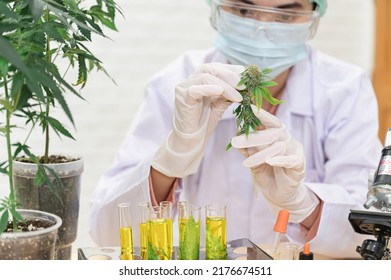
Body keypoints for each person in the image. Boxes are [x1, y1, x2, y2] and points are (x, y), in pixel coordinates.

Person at [89, 0, 382, 259]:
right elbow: (106, 234)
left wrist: (304, 205)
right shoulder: (176, 82)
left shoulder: (345, 89)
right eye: (244, 9)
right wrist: (169, 161)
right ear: (217, 9)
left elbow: (371, 235)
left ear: (314, 17)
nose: (262, 29)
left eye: (285, 15)